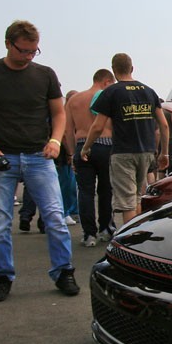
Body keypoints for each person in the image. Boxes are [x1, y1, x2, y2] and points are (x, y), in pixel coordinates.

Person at [0, 20, 79, 302]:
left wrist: (55, 141)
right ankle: (2, 276)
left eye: (33, 51)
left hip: (39, 156)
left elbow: (59, 113)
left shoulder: (45, 74)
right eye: (23, 50)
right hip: (1, 156)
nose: (28, 56)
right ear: (8, 43)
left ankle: (63, 271)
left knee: (55, 218)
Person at [81, 53, 169, 226]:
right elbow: (163, 125)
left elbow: (98, 126)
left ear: (114, 70)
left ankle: (131, 238)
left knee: (127, 201)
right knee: (137, 197)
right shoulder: (149, 91)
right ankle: (139, 233)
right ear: (132, 68)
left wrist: (86, 147)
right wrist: (164, 152)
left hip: (123, 152)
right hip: (146, 151)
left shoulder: (111, 92)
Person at [65, 69, 115, 247]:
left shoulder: (73, 100)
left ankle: (88, 234)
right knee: (106, 189)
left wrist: (72, 153)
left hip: (81, 144)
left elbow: (67, 131)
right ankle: (106, 228)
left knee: (85, 192)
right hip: (106, 145)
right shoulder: (109, 97)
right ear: (106, 81)